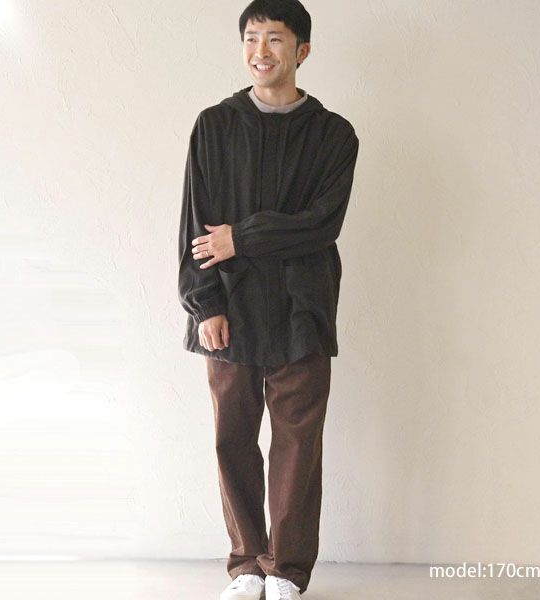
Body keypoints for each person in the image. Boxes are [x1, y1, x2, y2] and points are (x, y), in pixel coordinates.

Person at [177, 1, 359, 598]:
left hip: (303, 308)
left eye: (275, 39)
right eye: (252, 38)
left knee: (298, 443)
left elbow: (321, 224)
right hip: (228, 309)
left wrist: (242, 237)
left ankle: (286, 570)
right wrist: (204, 305)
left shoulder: (334, 135)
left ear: (301, 50)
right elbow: (197, 225)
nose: (261, 51)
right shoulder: (214, 125)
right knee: (232, 439)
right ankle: (246, 565)